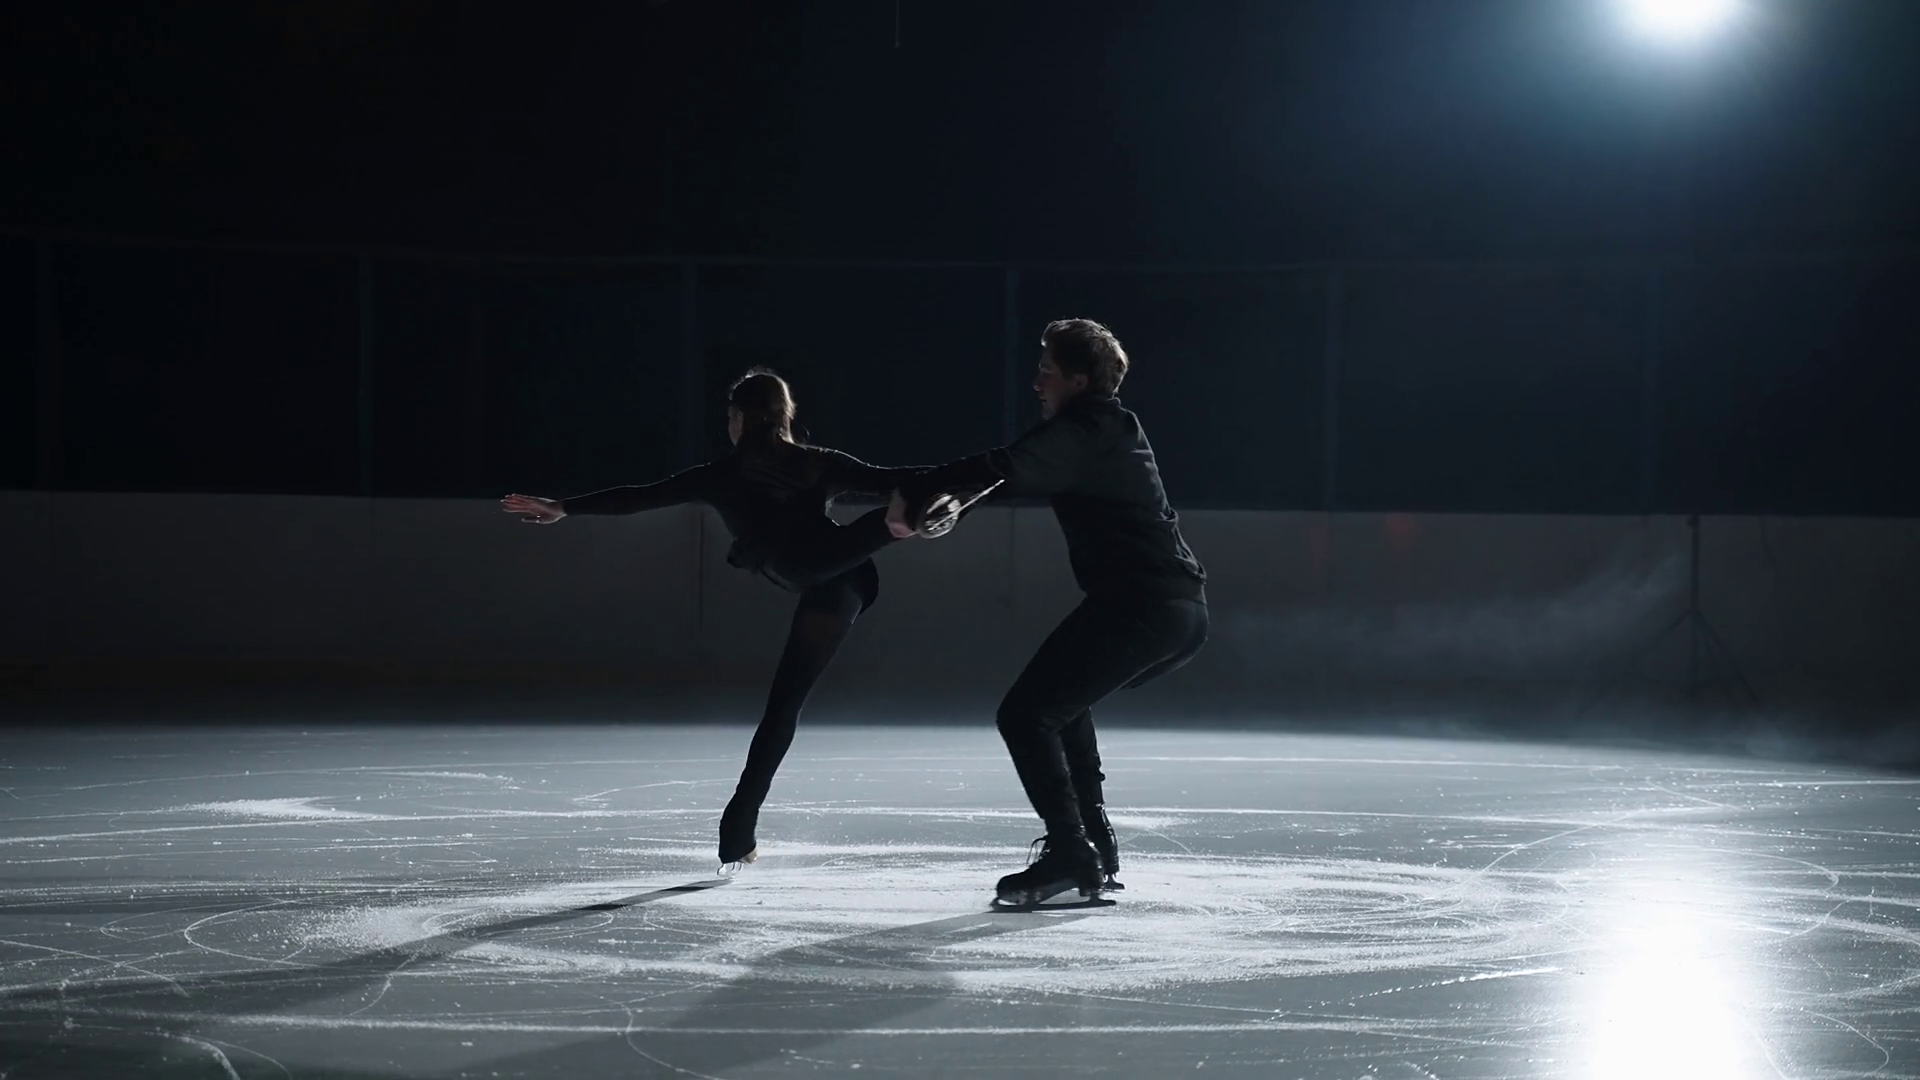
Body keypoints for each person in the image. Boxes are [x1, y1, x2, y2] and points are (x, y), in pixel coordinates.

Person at [502, 368, 926, 872]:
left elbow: (639, 496)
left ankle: (737, 829)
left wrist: (565, 508)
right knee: (786, 697)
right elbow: (893, 480)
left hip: (814, 568)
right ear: (785, 416)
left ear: (738, 418)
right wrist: (972, 478)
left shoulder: (723, 474)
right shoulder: (817, 464)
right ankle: (738, 831)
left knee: (783, 704)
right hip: (843, 581)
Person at [887, 318, 1208, 908]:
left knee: (1026, 715)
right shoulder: (1107, 428)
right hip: (1168, 608)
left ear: (1079, 380)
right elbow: (1010, 474)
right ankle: (1092, 846)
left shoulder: (1086, 428)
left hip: (1145, 606)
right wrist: (950, 497)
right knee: (1059, 704)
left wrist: (921, 488)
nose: (1037, 382)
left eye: (1047, 371)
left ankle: (1070, 852)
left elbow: (1008, 464)